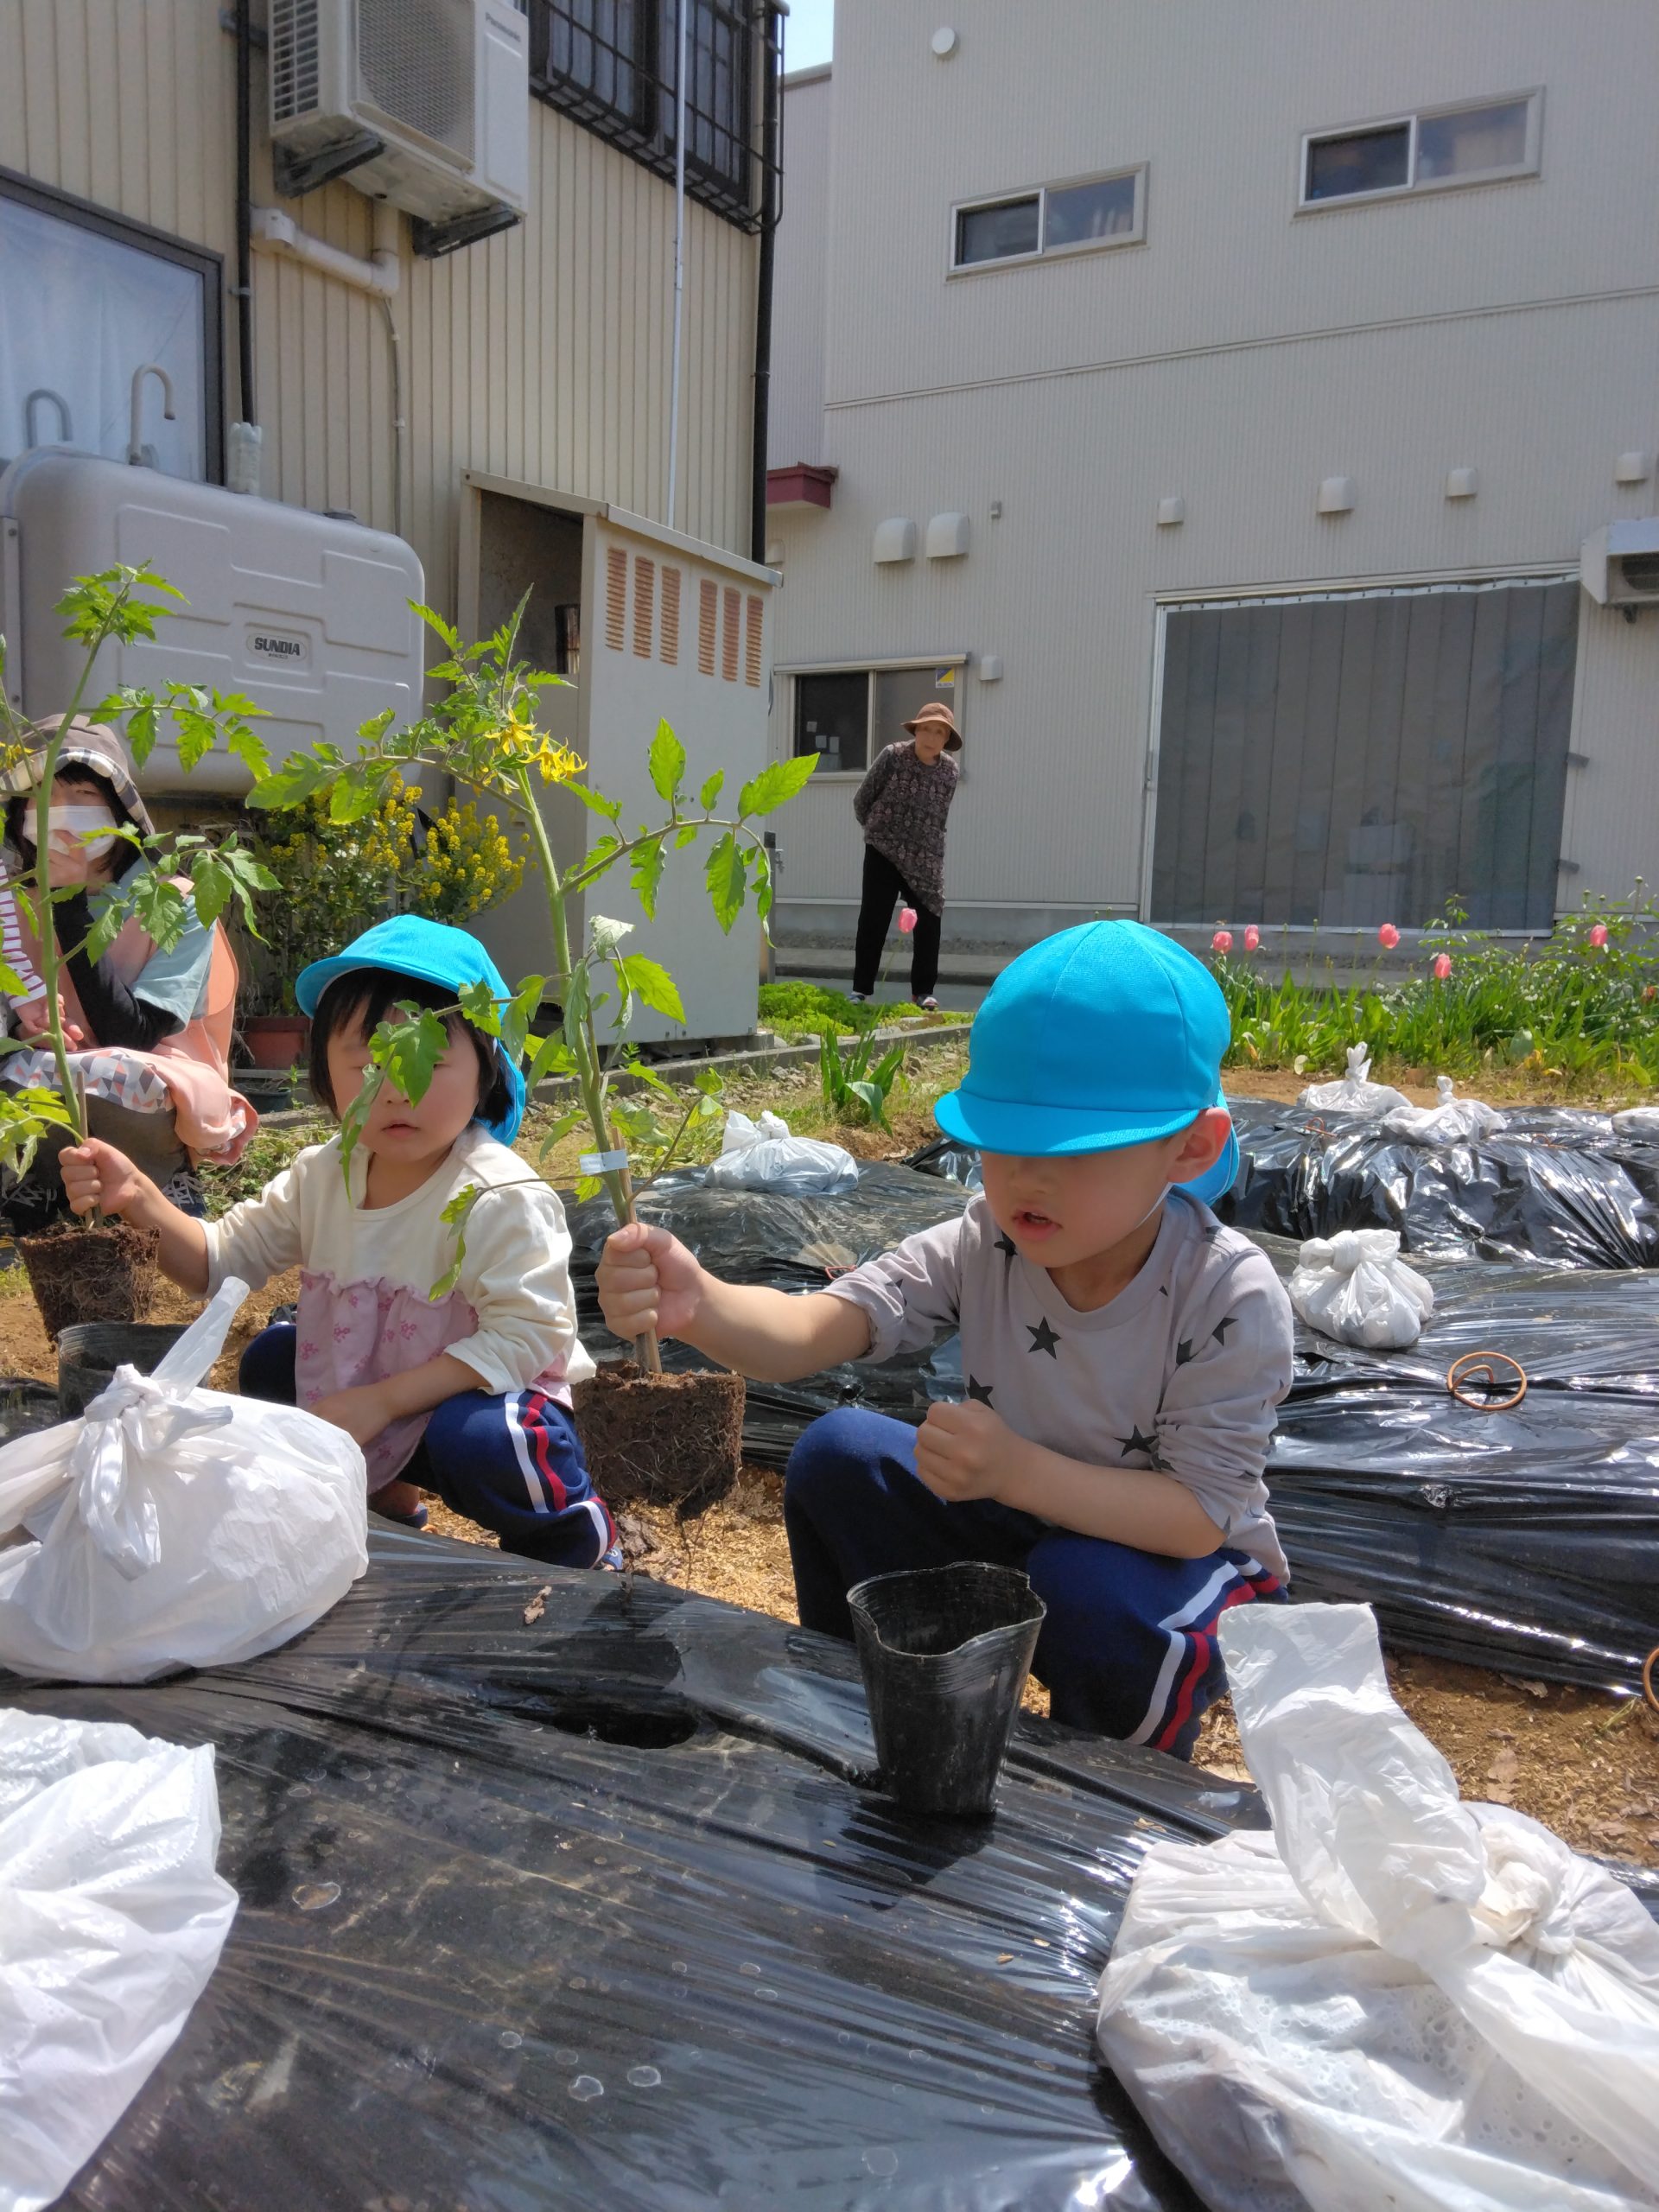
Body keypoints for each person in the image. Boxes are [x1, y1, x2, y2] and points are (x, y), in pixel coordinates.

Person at [597, 920, 1294, 1755]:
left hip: (1177, 1568)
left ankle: (1114, 1781)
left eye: (1073, 1151)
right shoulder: (984, 1242)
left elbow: (1197, 1518)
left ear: (1190, 1147)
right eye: (1001, 1143)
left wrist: (1016, 1471)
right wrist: (699, 1304)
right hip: (1024, 1515)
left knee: (1087, 1587)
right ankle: (868, 1716)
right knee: (840, 1457)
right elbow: (820, 1329)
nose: (1026, 1178)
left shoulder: (1227, 1292)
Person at [58, 914, 620, 1563]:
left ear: (486, 1073)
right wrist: (138, 1196)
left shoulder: (499, 1195)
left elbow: (527, 1339)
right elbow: (217, 1261)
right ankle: (387, 1504)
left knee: (488, 1440)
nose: (398, 1089)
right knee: (271, 1362)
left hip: (482, 1402)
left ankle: (576, 1539)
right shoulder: (323, 1176)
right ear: (325, 1074)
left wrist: (383, 1401)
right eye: (368, 1062)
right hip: (371, 1396)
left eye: (430, 1061)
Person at [0, 716, 256, 1226]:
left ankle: (162, 1174)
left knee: (111, 1072)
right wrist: (19, 1028)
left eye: (81, 794)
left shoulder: (176, 903)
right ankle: (40, 1181)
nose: (60, 811)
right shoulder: (10, 905)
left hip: (152, 1074)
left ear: (119, 810)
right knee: (27, 1070)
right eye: (42, 796)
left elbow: (134, 1033)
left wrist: (70, 902)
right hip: (40, 1072)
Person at [850, 701, 961, 1011]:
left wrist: (927, 845)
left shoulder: (949, 771)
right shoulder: (893, 756)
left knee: (930, 920)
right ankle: (860, 990)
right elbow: (862, 800)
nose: (931, 737)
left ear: (946, 738)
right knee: (873, 919)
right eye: (926, 729)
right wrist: (877, 831)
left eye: (939, 732)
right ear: (916, 730)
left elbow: (940, 815)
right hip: (883, 851)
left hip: (926, 857)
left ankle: (923, 991)